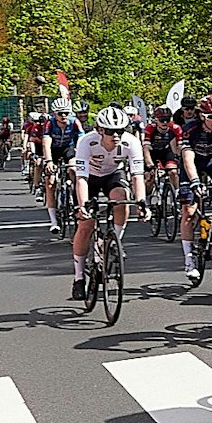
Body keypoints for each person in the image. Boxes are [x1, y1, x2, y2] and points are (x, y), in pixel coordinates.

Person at [70, 106, 145, 301]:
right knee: (85, 225)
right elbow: (81, 179)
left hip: (113, 174)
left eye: (121, 130)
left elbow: (137, 176)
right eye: (111, 132)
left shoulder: (131, 142)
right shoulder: (86, 141)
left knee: (121, 198)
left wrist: (142, 202)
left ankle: (114, 241)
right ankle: (78, 278)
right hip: (90, 179)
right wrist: (83, 205)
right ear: (100, 130)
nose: (116, 136)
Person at [176, 95, 212, 286]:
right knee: (189, 211)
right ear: (202, 116)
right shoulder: (190, 129)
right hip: (193, 164)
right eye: (211, 117)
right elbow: (188, 159)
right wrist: (196, 182)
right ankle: (189, 258)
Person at [36, 98, 83, 235]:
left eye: (66, 113)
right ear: (55, 114)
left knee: (74, 169)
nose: (64, 116)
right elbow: (46, 143)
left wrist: (82, 159)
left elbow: (81, 140)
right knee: (50, 182)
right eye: (60, 113)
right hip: (54, 151)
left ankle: (76, 199)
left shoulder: (74, 122)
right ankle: (54, 221)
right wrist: (49, 161)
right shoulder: (50, 123)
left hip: (68, 149)